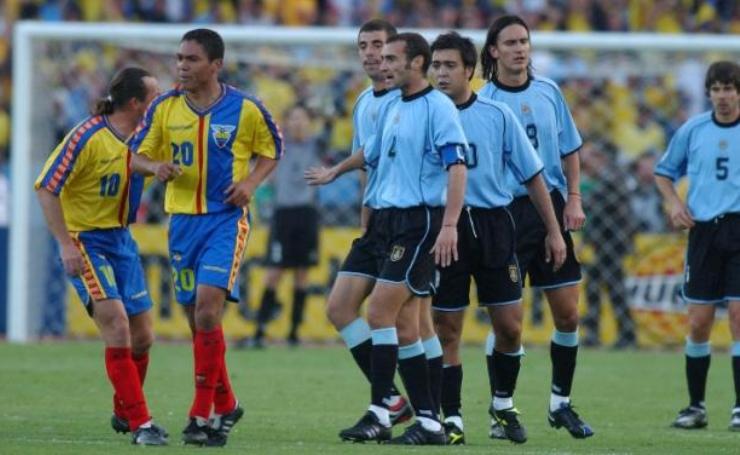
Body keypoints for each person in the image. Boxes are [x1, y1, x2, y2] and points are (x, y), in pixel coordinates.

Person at [129, 28, 282, 447]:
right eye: (179, 58)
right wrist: (154, 168)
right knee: (195, 320)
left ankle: (200, 415)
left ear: (215, 65)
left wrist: (250, 183)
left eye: (191, 59)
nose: (182, 65)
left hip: (225, 221)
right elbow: (136, 155)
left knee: (209, 312)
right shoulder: (164, 108)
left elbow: (273, 148)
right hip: (181, 223)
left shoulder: (246, 108)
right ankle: (228, 403)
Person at [428, 32, 566, 445]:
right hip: (444, 231)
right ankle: (451, 419)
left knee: (509, 327)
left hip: (493, 226)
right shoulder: (425, 114)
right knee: (447, 329)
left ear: (469, 70)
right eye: (435, 65)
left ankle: (502, 404)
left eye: (449, 65)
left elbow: (533, 175)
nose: (441, 73)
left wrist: (555, 231)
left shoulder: (496, 115)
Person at [338, 32, 468, 446]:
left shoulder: (439, 108)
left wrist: (449, 225)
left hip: (420, 222)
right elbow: (370, 153)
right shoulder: (391, 104)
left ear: (417, 63)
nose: (383, 62)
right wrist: (333, 172)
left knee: (383, 314)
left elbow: (457, 167)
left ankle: (385, 408)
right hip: (386, 220)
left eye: (392, 57)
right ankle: (428, 420)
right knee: (406, 324)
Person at [35, 67, 167, 446]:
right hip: (86, 240)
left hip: (122, 240)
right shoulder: (86, 136)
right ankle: (142, 424)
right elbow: (46, 188)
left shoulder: (146, 138)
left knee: (143, 337)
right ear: (134, 102)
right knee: (118, 325)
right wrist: (65, 244)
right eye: (153, 96)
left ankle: (124, 409)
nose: (158, 103)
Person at [479, 15, 593, 439]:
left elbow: (569, 149)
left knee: (568, 314)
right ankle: (501, 408)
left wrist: (575, 198)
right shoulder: (485, 101)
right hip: (506, 213)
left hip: (553, 209)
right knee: (508, 324)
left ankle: (560, 404)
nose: (519, 49)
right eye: (510, 43)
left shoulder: (549, 92)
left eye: (524, 41)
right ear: (493, 51)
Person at [304, 19, 413, 426]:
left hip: (411, 220)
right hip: (377, 222)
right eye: (363, 45)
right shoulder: (364, 101)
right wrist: (365, 220)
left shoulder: (409, 100)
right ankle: (390, 400)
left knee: (408, 325)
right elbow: (367, 167)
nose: (370, 53)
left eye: (379, 45)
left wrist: (335, 170)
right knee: (340, 307)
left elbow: (370, 155)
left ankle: (434, 413)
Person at [654, 60, 740, 431]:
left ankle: (739, 407)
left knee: (738, 317)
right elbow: (664, 172)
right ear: (708, 93)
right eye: (717, 88)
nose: (723, 96)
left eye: (730, 88)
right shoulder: (694, 129)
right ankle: (696, 407)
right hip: (704, 232)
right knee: (699, 321)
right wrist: (675, 204)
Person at [253, 103, 323, 347]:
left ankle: (294, 332)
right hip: (283, 214)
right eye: (293, 118)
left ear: (309, 122)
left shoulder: (317, 144)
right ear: (286, 122)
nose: (298, 123)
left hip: (306, 213)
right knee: (274, 272)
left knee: (302, 274)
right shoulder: (277, 146)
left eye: (302, 118)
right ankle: (259, 331)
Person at [580, 140, 637, 349]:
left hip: (612, 242)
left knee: (613, 288)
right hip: (604, 242)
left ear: (601, 158)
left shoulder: (611, 179)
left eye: (591, 158)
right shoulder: (612, 178)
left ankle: (625, 334)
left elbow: (596, 208)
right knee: (597, 287)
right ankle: (600, 332)